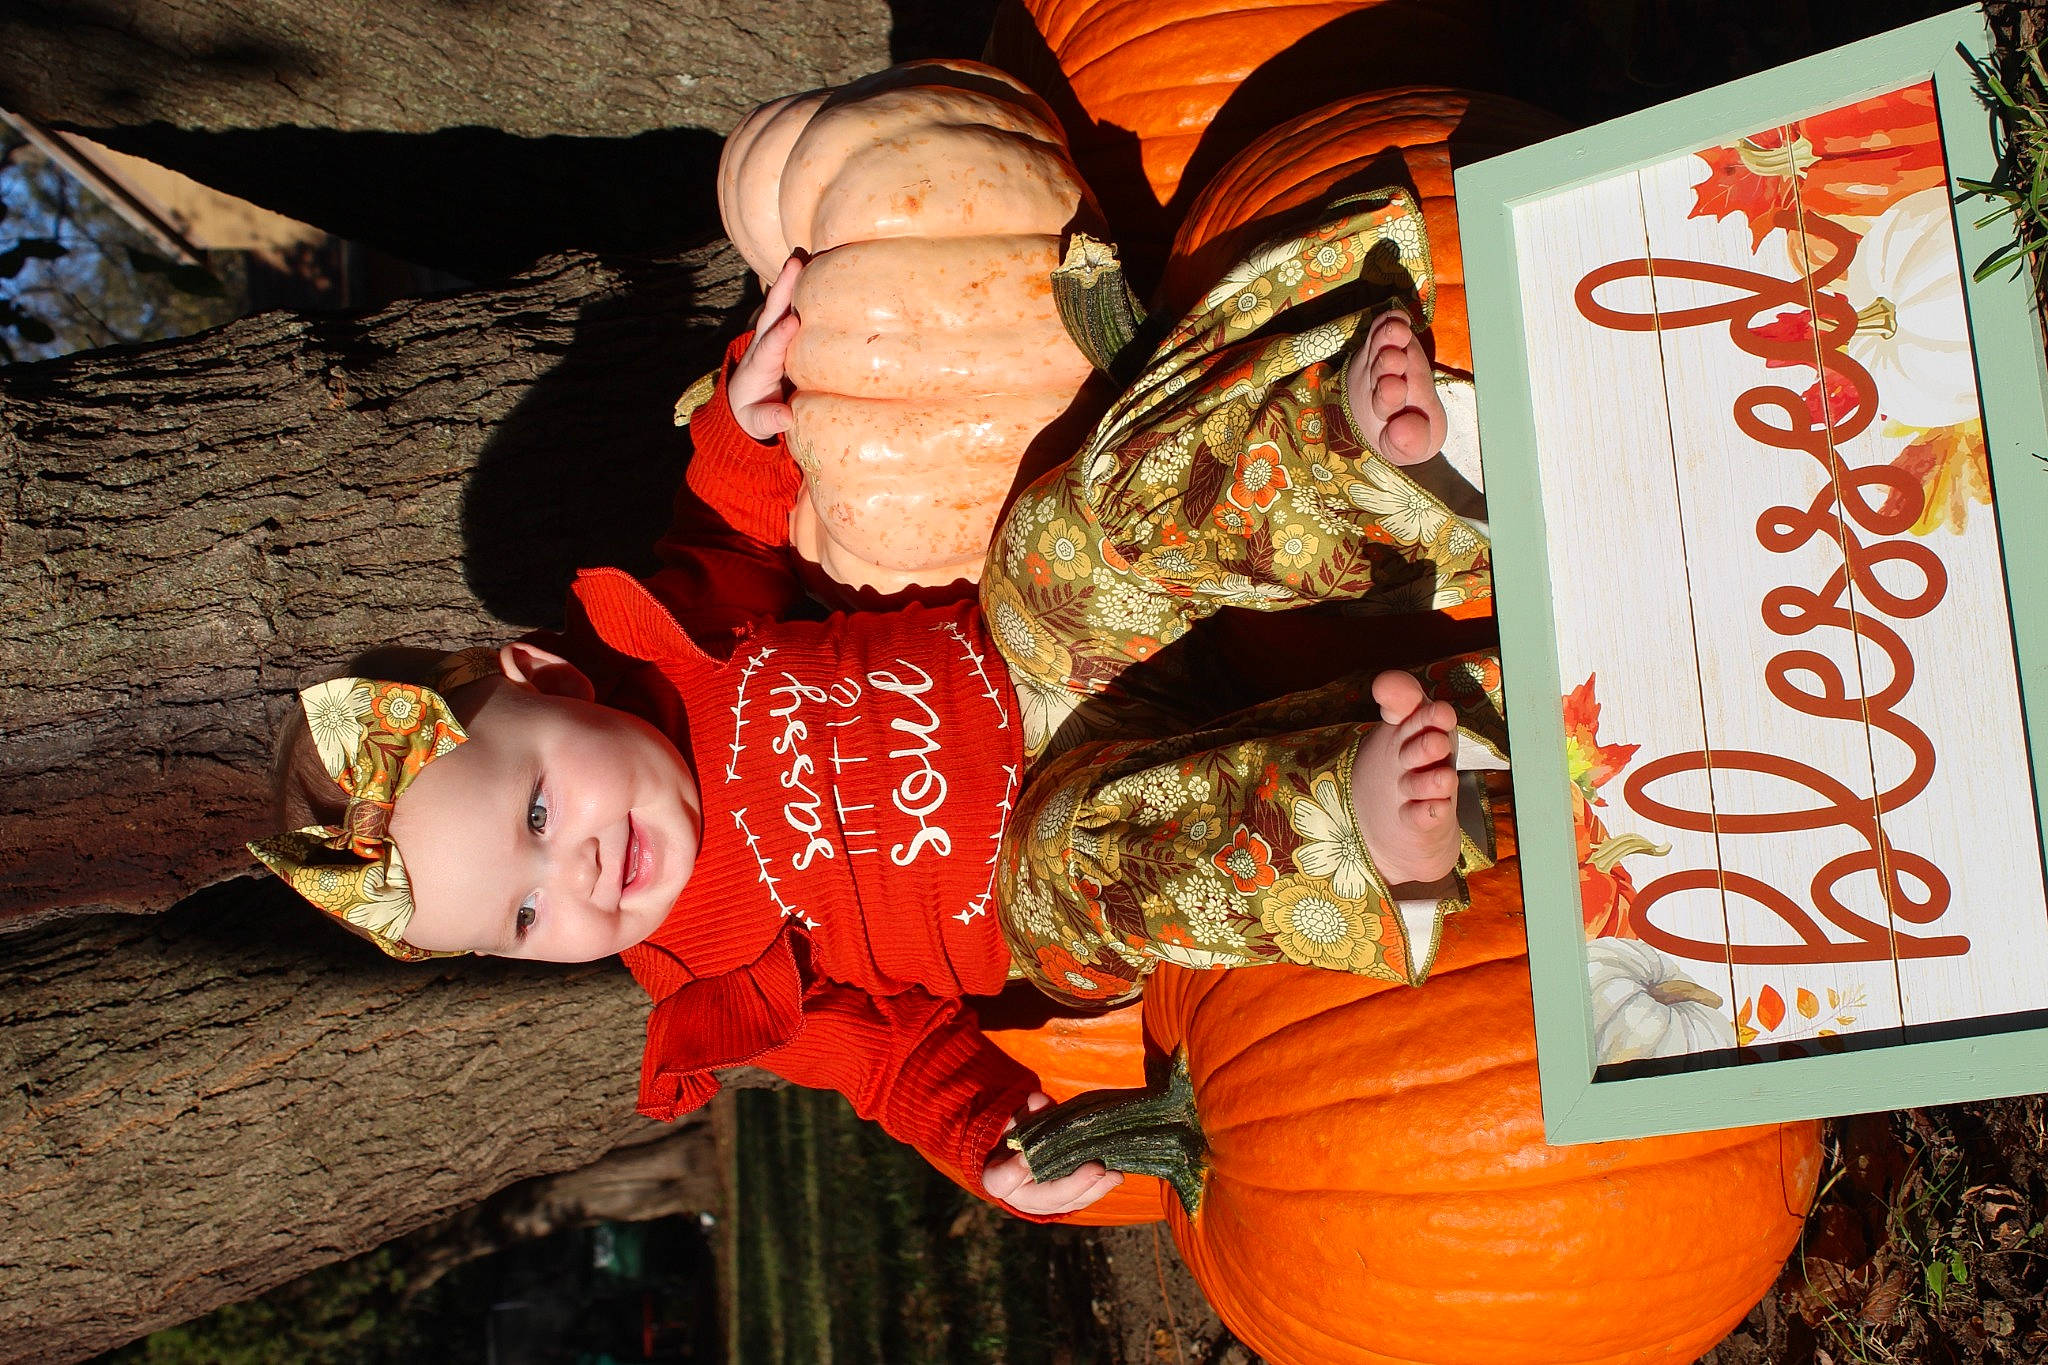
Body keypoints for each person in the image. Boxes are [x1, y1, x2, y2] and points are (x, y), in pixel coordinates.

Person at [252, 188, 1504, 1220]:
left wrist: (744, 434)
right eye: (527, 917)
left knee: (1059, 539)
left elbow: (727, 533)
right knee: (1085, 861)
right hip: (1041, 873)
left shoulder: (664, 647)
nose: (575, 872)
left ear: (546, 680)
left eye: (535, 811)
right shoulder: (713, 977)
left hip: (1041, 658)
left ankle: (1346, 460)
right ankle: (1350, 832)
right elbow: (890, 1062)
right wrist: (984, 1139)